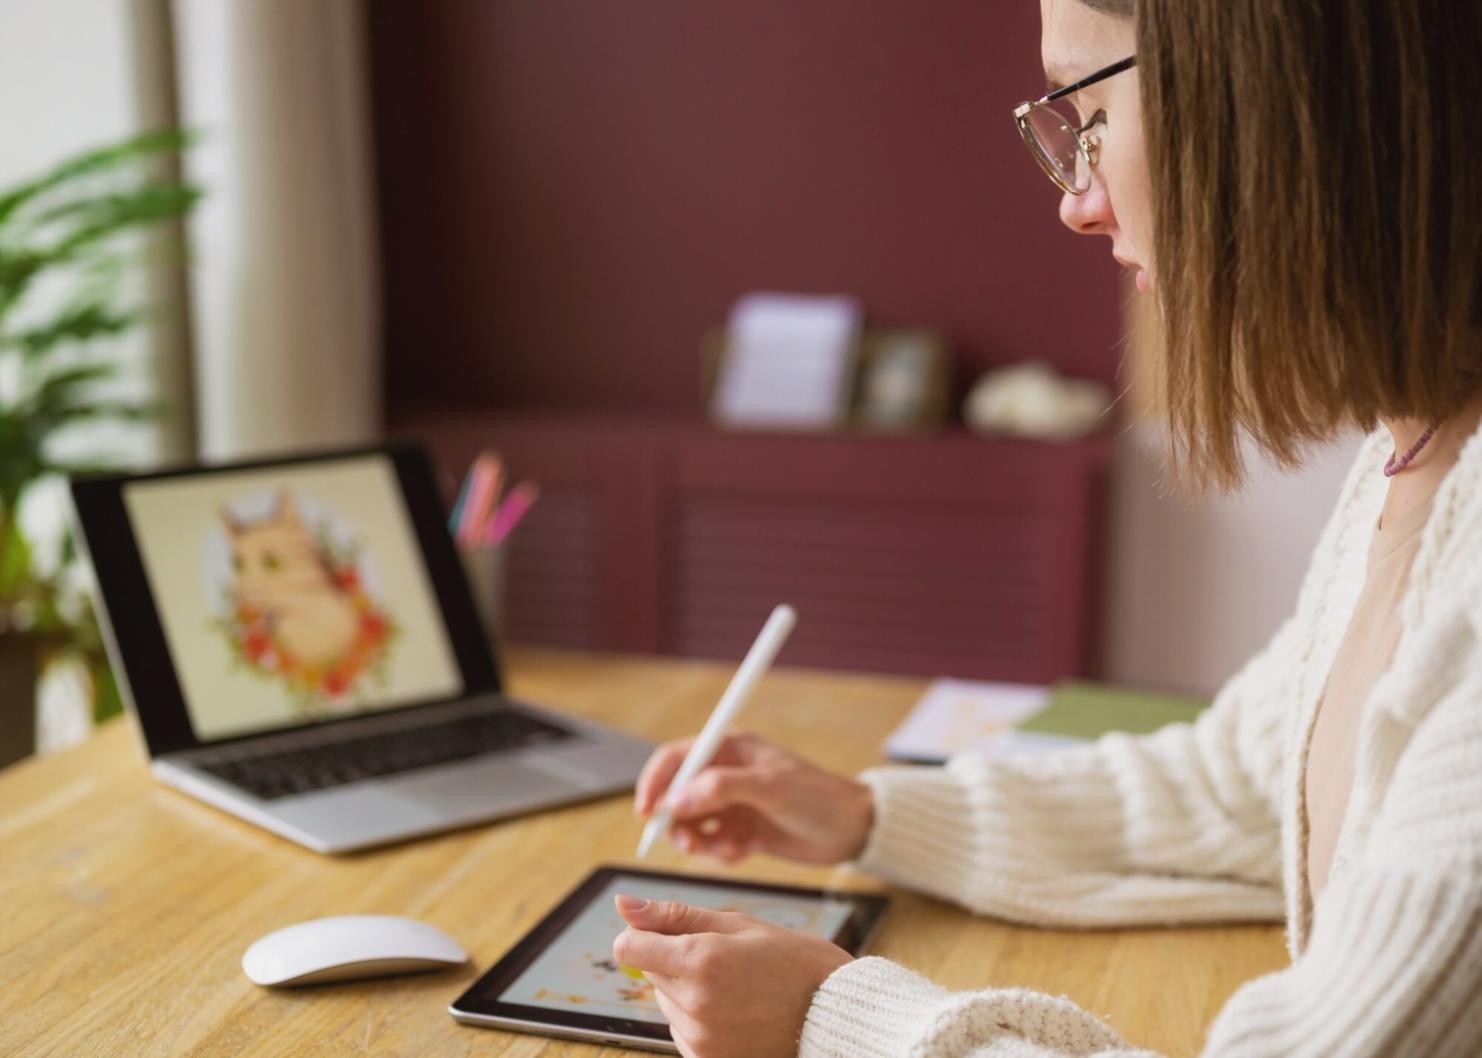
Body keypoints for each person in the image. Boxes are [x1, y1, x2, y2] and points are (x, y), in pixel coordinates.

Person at [611, 0, 1482, 1054]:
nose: (1076, 201)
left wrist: (833, 1022)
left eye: (1094, 114)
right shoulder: (1416, 457)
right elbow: (1240, 787)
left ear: (1267, 93)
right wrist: (868, 815)